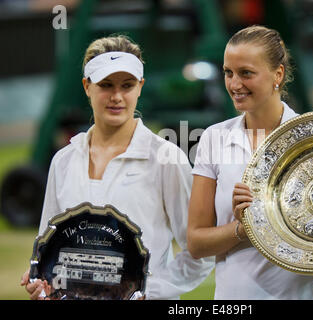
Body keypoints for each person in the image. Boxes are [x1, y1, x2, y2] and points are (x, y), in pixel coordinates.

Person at [187, 25, 313, 299]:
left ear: (277, 74)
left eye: (246, 73)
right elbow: (197, 242)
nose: (235, 84)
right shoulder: (214, 138)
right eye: (228, 73)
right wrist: (245, 228)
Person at [20, 35, 214, 300]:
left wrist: (144, 292)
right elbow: (50, 249)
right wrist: (41, 281)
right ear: (87, 87)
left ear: (140, 87)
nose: (117, 96)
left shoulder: (166, 158)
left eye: (127, 85)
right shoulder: (63, 161)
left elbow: (200, 252)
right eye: (106, 85)